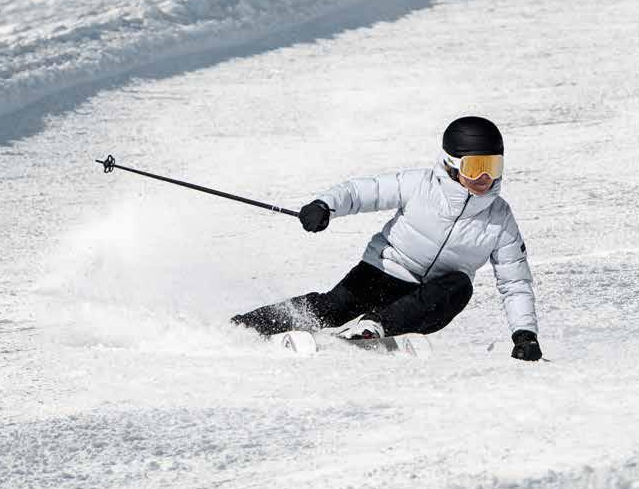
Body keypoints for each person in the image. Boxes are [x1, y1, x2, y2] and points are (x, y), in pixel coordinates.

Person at [231, 116, 542, 361]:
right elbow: (362, 192)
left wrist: (525, 335)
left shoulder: (500, 218)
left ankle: (374, 327)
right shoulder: (420, 185)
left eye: (493, 166)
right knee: (331, 308)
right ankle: (245, 326)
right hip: (380, 275)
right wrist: (324, 206)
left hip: (427, 302)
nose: (485, 178)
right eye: (476, 167)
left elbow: (515, 281)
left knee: (460, 285)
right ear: (451, 164)